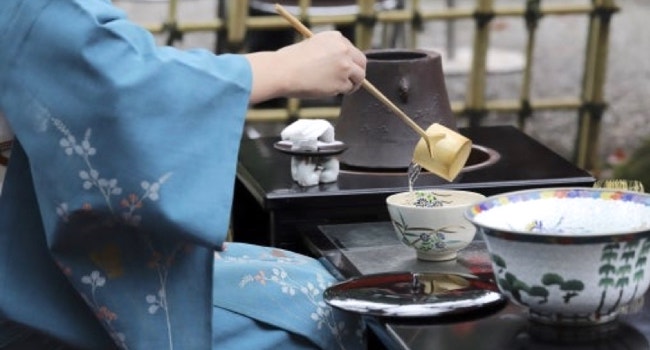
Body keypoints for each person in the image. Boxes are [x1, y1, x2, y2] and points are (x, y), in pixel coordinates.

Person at [0, 0, 367, 349]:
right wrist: (284, 68)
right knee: (329, 308)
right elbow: (122, 87)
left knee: (306, 275)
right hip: (26, 291)